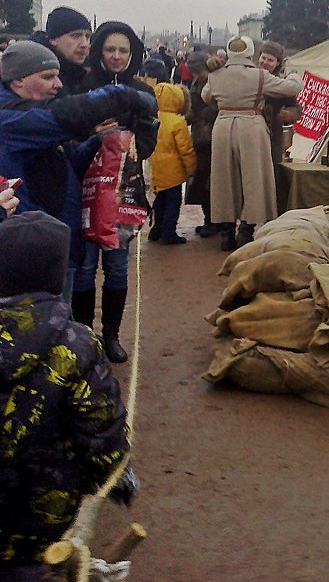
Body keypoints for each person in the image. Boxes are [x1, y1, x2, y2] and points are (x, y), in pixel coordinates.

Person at [0, 211, 129, 578]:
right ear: (57, 275)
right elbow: (100, 431)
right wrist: (116, 476)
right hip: (44, 515)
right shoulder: (77, 344)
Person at [0, 41, 158, 304]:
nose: (58, 84)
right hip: (33, 251)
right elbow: (66, 115)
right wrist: (123, 96)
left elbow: (70, 164)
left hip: (57, 240)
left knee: (64, 324)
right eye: (48, 77)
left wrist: (102, 139)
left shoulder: (27, 115)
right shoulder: (10, 118)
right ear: (18, 81)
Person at [70, 22, 158, 363]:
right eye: (110, 49)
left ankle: (111, 335)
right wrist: (94, 133)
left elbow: (151, 135)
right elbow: (68, 132)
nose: (117, 56)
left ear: (132, 53)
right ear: (100, 51)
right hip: (86, 187)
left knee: (118, 267)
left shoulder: (142, 91)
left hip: (124, 191)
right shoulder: (82, 86)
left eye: (123, 50)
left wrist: (137, 143)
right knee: (85, 266)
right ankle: (83, 335)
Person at [203, 36, 300, 251]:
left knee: (224, 179)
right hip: (251, 126)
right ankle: (246, 231)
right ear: (251, 53)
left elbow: (206, 96)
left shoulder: (216, 75)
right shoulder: (260, 76)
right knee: (253, 180)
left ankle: (226, 232)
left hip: (222, 126)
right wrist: (294, 75)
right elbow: (292, 88)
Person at [148, 80, 196, 245]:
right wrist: (191, 169)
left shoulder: (153, 118)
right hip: (173, 170)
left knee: (159, 200)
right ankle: (169, 232)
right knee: (173, 202)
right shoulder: (177, 122)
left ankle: (156, 229)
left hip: (156, 166)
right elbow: (185, 149)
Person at [256, 41, 302, 211]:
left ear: (277, 64)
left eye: (270, 60)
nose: (265, 62)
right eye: (263, 58)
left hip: (272, 138)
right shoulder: (251, 78)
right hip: (251, 137)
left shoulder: (280, 84)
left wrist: (289, 114)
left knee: (271, 178)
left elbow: (296, 108)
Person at [184, 51, 219, 236]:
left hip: (215, 137)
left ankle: (215, 222)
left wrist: (203, 114)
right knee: (203, 180)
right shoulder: (196, 83)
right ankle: (209, 219)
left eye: (199, 72)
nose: (197, 76)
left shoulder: (217, 81)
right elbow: (193, 109)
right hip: (201, 137)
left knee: (212, 182)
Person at [36, 6, 93, 96]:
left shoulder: (85, 75)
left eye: (87, 37)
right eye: (75, 36)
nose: (84, 44)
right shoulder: (36, 75)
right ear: (53, 39)